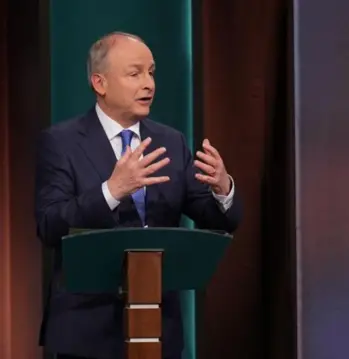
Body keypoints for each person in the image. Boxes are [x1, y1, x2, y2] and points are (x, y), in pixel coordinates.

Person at [34, 32, 242, 359]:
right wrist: (110, 192)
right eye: (135, 74)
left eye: (151, 72)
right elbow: (49, 225)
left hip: (159, 329)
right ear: (99, 83)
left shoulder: (170, 142)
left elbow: (216, 219)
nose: (149, 84)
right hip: (86, 333)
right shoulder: (61, 143)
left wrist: (222, 189)